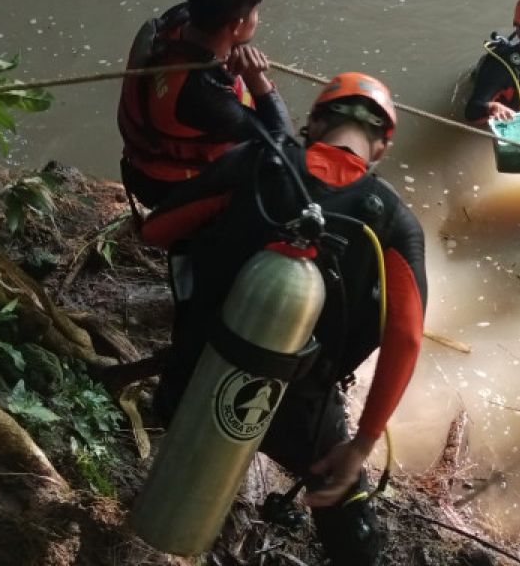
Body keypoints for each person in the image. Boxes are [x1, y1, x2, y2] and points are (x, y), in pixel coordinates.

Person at [148, 72, 427, 566]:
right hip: (297, 410)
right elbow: (404, 337)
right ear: (381, 147)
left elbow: (158, 229)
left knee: (187, 419)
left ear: (315, 122)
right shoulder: (393, 222)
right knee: (345, 494)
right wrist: (361, 445)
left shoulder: (255, 162)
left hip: (195, 373)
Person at [117, 0, 292, 208]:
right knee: (278, 178)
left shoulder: (178, 19)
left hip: (142, 160)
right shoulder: (202, 95)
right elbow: (283, 142)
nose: (257, 18)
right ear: (236, 25)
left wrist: (233, 48)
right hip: (169, 187)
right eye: (255, 12)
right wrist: (257, 79)